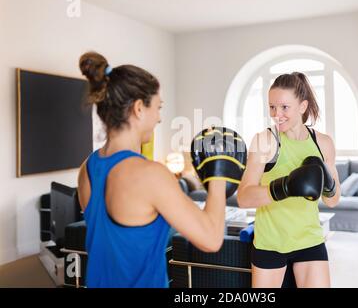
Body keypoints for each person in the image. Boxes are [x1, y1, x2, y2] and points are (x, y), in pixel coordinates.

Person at [76, 52, 245, 288]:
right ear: (138, 109)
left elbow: (116, 241)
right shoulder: (151, 174)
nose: (159, 118)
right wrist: (219, 176)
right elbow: (212, 239)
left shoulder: (87, 169)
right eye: (158, 107)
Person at [237, 72, 341, 288]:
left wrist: (327, 182)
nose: (277, 115)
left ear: (302, 106)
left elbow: (332, 200)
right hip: (270, 243)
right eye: (272, 107)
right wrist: (284, 187)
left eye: (285, 107)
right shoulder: (265, 140)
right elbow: (244, 198)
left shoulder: (323, 143)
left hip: (309, 239)